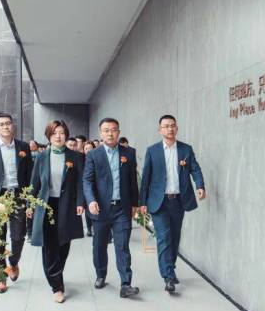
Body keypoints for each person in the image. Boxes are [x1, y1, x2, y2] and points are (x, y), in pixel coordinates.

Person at [140, 115, 205, 293]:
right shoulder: (152, 151)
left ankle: (171, 267)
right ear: (160, 130)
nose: (169, 129)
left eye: (172, 126)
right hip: (159, 202)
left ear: (177, 128)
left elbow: (195, 169)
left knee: (175, 237)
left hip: (178, 201)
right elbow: (145, 178)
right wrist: (142, 202)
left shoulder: (185, 149)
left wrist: (200, 185)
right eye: (166, 126)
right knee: (164, 237)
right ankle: (168, 276)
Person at [28, 120, 86, 303]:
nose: (58, 136)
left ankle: (56, 273)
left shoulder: (75, 157)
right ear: (49, 136)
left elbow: (81, 183)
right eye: (54, 133)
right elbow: (34, 183)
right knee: (49, 244)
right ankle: (57, 286)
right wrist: (30, 204)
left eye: (61, 132)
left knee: (63, 243)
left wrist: (81, 202)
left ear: (66, 134)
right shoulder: (41, 157)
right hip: (46, 205)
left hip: (67, 204)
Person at [83, 118, 140, 298]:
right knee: (99, 245)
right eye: (106, 130)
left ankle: (126, 284)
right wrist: (91, 200)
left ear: (119, 132)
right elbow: (87, 180)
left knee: (122, 246)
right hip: (100, 209)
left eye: (113, 130)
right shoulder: (93, 155)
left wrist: (135, 204)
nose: (110, 133)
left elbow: (133, 181)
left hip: (122, 209)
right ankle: (101, 274)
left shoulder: (129, 153)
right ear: (101, 133)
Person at [0, 112, 33, 293]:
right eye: (1, 124)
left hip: (18, 195)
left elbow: (29, 174)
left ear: (12, 125)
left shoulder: (23, 146)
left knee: (18, 236)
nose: (5, 126)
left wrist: (29, 198)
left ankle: (14, 263)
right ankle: (1, 275)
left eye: (8, 123)